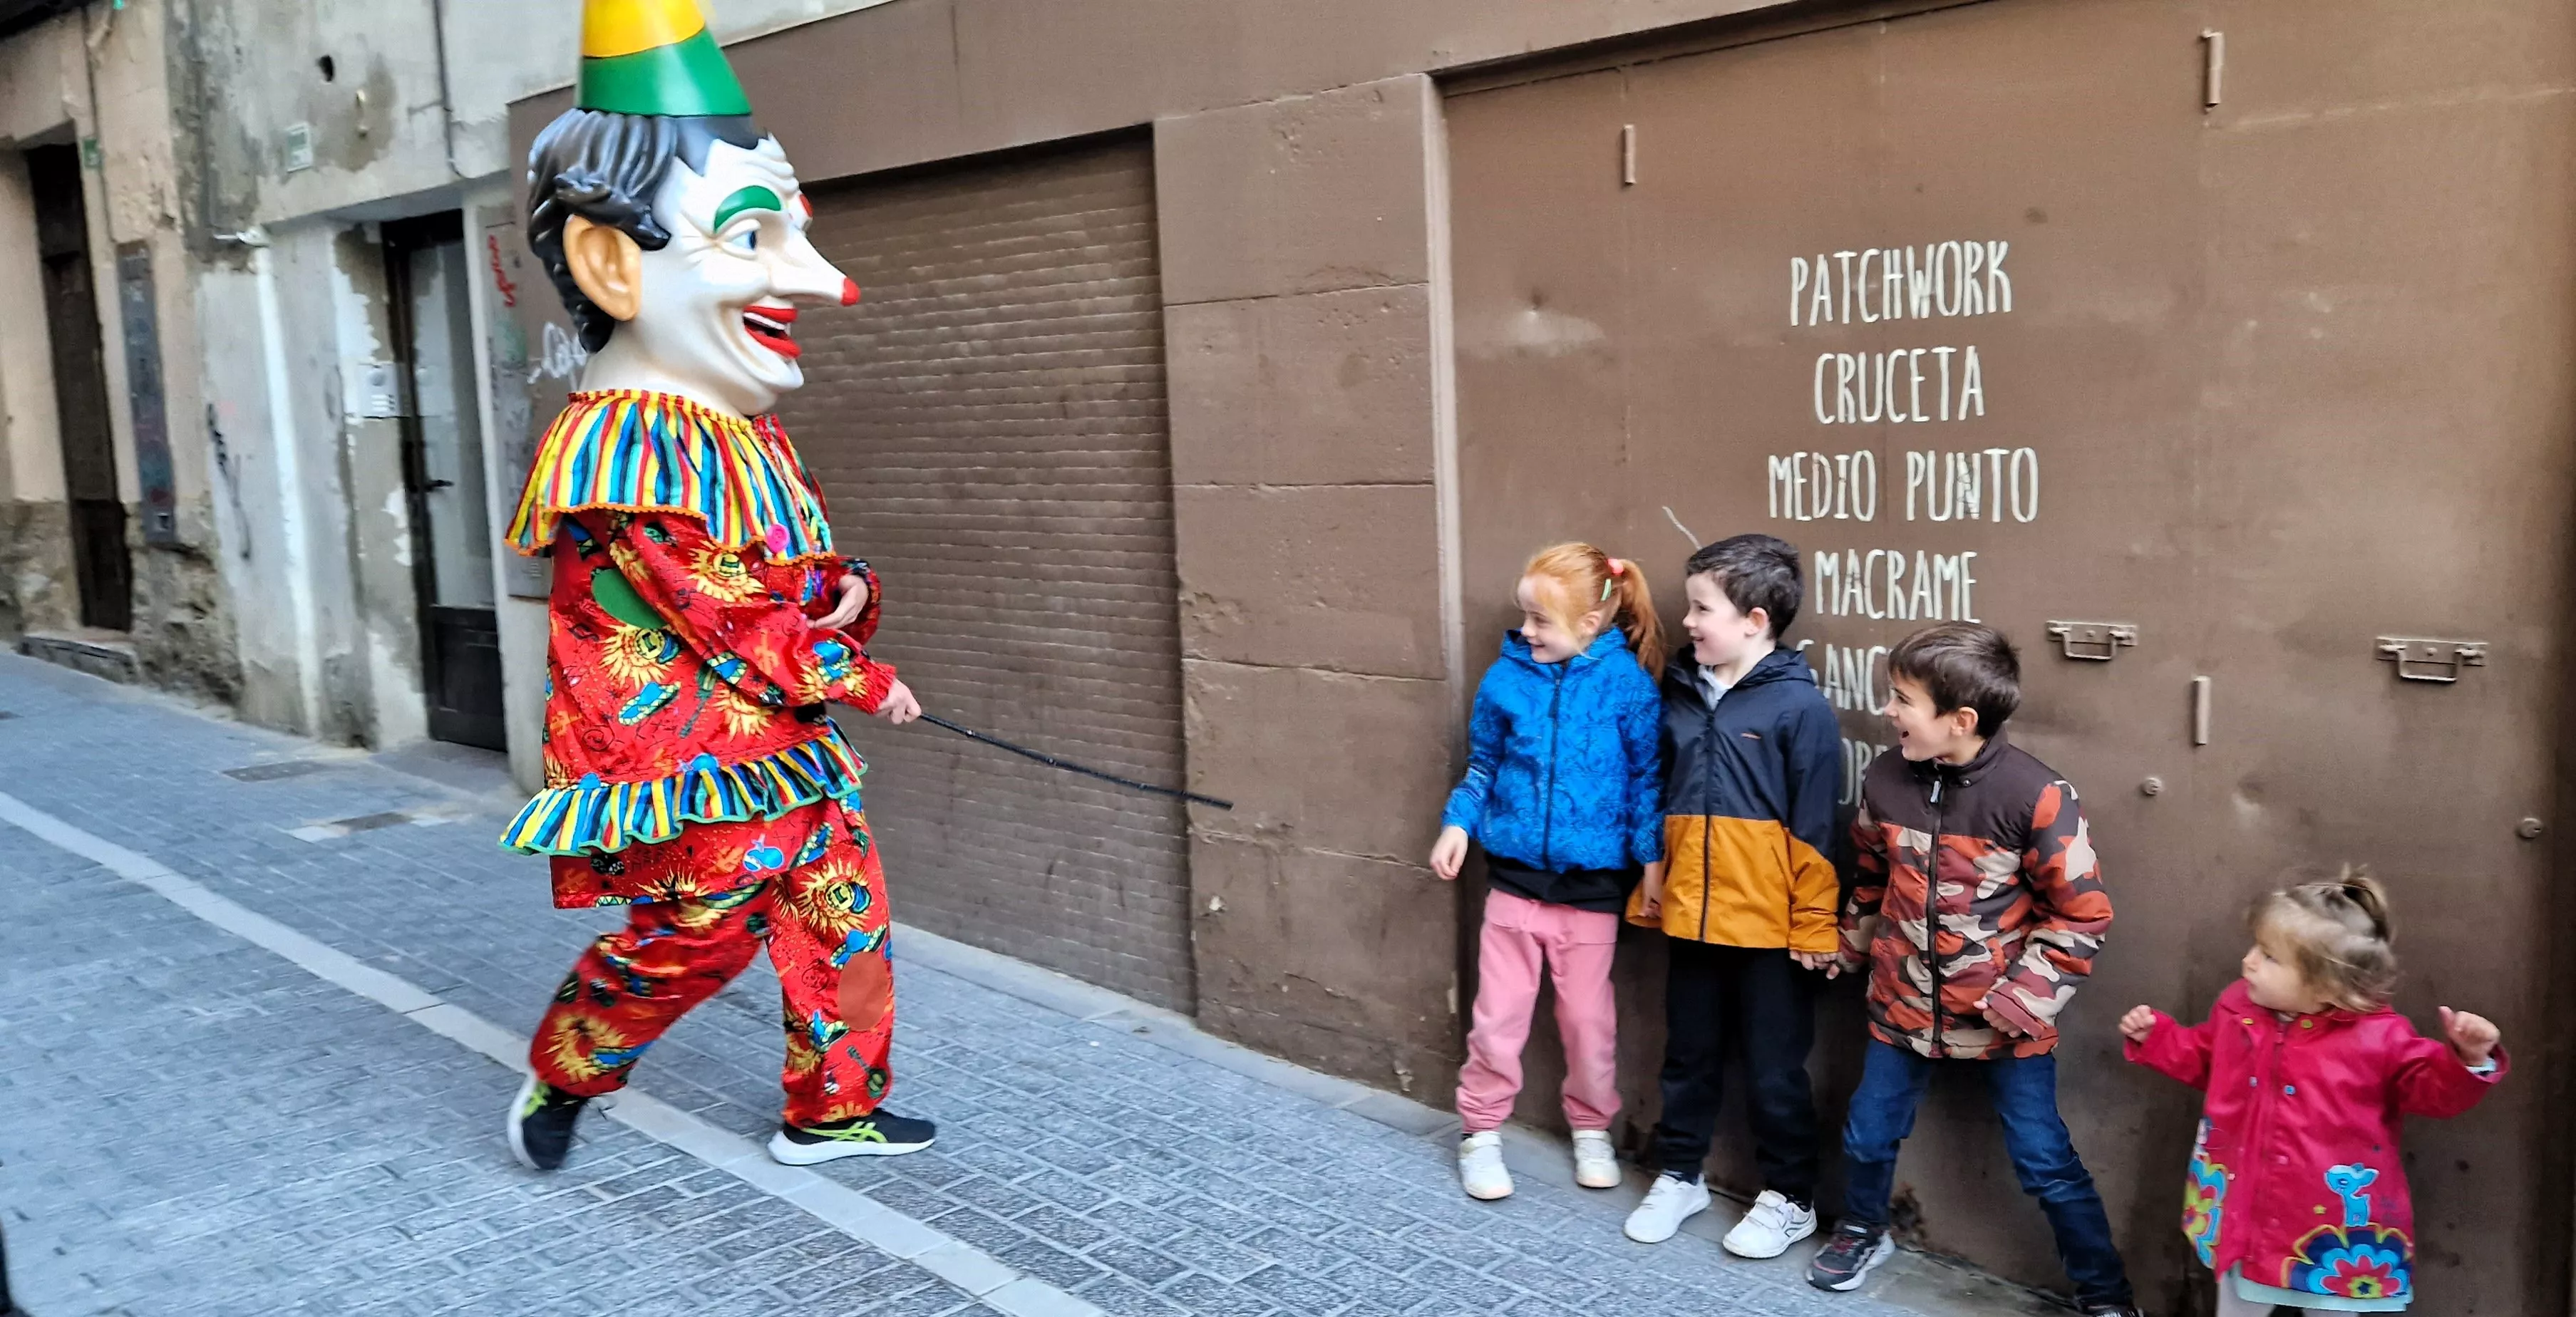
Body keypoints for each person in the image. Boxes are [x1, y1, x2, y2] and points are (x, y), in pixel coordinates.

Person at [498, 0, 935, 1172]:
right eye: (752, 236)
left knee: (840, 906)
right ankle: (566, 1068)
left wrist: (843, 590)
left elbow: (787, 574)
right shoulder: (623, 445)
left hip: (780, 739)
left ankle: (831, 1107)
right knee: (698, 935)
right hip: (686, 756)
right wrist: (857, 668)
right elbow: (718, 602)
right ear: (606, 261)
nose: (823, 282)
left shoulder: (738, 427)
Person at [1808, 623, 2140, 1316]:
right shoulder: (1883, 778)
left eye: (1902, 700)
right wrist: (1847, 945)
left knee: (2044, 1162)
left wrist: (2024, 998)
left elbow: (2081, 914)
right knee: (1866, 1133)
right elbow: (1869, 878)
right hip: (1898, 1006)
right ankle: (1864, 1229)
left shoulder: (2036, 796)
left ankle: (2104, 1293)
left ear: (1959, 721)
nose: (1888, 712)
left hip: (2006, 1024)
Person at [2121, 869, 2505, 1316]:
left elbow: (2434, 1092)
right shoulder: (2238, 1010)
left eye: (2269, 956)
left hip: (2333, 1232)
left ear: (2327, 984)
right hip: (2244, 1208)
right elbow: (2208, 1060)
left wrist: (2468, 1058)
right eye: (2255, 947)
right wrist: (2158, 1039)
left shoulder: (2381, 1039)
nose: (2248, 962)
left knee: (2335, 1305)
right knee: (2239, 1302)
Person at [1620, 534, 1843, 1258]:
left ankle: (1789, 1197)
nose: (1686, 621)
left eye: (1700, 608)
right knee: (1687, 1054)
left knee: (1775, 1067)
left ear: (1753, 619)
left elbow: (1815, 828)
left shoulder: (1798, 709)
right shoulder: (1680, 693)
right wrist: (1653, 882)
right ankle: (1680, 1174)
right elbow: (1656, 794)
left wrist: (1813, 927)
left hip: (1770, 931)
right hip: (1689, 917)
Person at [1432, 543, 1666, 1202]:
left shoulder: (1628, 688)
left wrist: (1651, 868)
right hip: (1512, 883)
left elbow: (1647, 784)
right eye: (1524, 616)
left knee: (1589, 1025)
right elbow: (1482, 766)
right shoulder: (1505, 679)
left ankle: (1592, 1127)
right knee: (1496, 1019)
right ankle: (1480, 1131)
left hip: (1592, 892)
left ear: (1591, 624)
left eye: (1542, 621)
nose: (1526, 632)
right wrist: (1458, 824)